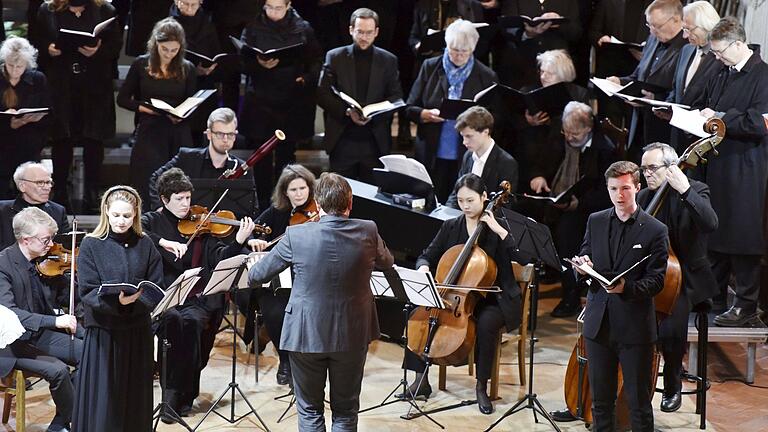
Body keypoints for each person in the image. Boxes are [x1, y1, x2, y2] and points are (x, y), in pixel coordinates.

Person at [248, 172, 394, 431]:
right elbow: (387, 261)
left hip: (306, 333)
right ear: (350, 203)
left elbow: (257, 276)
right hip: (352, 333)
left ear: (317, 203)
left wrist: (253, 260)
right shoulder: (368, 230)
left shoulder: (296, 235)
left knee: (309, 410)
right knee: (346, 411)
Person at [404, 173, 523, 415]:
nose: (466, 207)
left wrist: (499, 231)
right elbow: (427, 254)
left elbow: (522, 256)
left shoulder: (497, 226)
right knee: (418, 314)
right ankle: (421, 379)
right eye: (460, 201)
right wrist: (425, 267)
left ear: (484, 197)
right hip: (456, 296)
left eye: (471, 201)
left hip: (493, 297)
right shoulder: (451, 226)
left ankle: (482, 386)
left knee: (487, 324)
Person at [142, 168, 255, 421]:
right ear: (164, 199)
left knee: (192, 325)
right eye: (179, 199)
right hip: (166, 297)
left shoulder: (203, 225)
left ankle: (185, 393)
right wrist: (164, 243)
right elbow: (137, 230)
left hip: (199, 297)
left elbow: (220, 260)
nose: (186, 205)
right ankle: (172, 395)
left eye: (187, 198)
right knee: (177, 323)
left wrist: (238, 240)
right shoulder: (153, 221)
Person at [568, 161, 668, 432]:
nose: (619, 195)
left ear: (637, 187)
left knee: (638, 403)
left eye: (625, 188)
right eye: (613, 188)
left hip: (634, 328)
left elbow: (657, 281)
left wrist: (628, 288)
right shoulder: (596, 220)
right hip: (599, 324)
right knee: (600, 401)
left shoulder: (655, 230)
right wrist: (583, 267)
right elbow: (587, 255)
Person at [691, 17, 768, 327]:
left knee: (744, 235)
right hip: (719, 164)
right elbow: (705, 104)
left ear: (739, 44)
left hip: (747, 168)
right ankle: (715, 296)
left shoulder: (763, 76)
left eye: (721, 51)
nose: (717, 57)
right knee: (716, 232)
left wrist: (720, 117)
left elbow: (759, 123)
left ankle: (746, 304)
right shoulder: (723, 72)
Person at [71, 185, 164, 432]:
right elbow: (88, 290)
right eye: (116, 215)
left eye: (127, 216)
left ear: (135, 215)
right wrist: (118, 304)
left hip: (137, 330)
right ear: (106, 213)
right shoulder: (91, 244)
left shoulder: (145, 244)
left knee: (134, 394)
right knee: (105, 397)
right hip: (105, 330)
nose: (121, 221)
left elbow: (155, 285)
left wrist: (137, 303)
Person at [637, 142, 718, 412]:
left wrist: (683, 189)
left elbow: (710, 223)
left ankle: (672, 384)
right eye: (643, 169)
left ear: (672, 168)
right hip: (651, 275)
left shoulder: (695, 190)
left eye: (652, 168)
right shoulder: (643, 198)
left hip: (685, 277)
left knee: (671, 328)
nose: (647, 174)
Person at [524, 102, 616, 318]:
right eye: (566, 131)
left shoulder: (605, 150)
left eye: (574, 133)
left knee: (567, 235)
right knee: (527, 220)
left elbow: (605, 194)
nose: (569, 137)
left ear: (588, 128)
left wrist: (577, 204)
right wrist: (538, 177)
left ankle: (571, 296)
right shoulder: (559, 137)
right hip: (555, 201)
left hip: (587, 209)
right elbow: (540, 162)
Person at [0, 207, 82, 432]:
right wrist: (55, 322)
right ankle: (72, 422)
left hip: (39, 335)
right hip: (12, 345)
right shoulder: (3, 265)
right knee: (58, 371)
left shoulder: (44, 262)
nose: (51, 244)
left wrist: (73, 280)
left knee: (92, 354)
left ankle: (60, 423)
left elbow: (62, 296)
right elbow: (10, 313)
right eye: (46, 239)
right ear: (26, 240)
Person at [35, 0, 122, 210]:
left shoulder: (105, 10)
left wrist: (98, 51)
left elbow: (114, 46)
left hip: (94, 87)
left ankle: (92, 194)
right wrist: (48, 49)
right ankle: (60, 192)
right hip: (62, 86)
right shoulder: (48, 10)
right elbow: (37, 39)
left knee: (94, 139)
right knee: (62, 139)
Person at [237, 164, 316, 385]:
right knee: (273, 310)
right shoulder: (276, 212)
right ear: (285, 192)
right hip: (280, 278)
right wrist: (253, 239)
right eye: (293, 190)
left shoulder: (317, 213)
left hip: (308, 276)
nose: (299, 194)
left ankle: (306, 361)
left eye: (303, 188)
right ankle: (285, 360)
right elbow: (253, 228)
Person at [240, 0, 323, 206]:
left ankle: (285, 204)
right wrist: (257, 63)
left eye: (278, 8)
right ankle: (260, 204)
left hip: (290, 100)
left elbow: (316, 62)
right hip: (261, 99)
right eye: (269, 7)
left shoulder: (303, 28)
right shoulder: (252, 28)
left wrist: (304, 79)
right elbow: (241, 61)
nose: (273, 12)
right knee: (261, 157)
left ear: (288, 5)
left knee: (287, 155)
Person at [405, 18, 498, 202]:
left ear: (473, 49)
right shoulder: (430, 66)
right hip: (431, 151)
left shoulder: (486, 76)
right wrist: (424, 114)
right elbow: (409, 107)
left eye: (464, 51)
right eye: (454, 50)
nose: (458, 56)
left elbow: (494, 118)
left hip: (465, 154)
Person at [117, 17, 197, 210]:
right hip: (150, 129)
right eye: (164, 49)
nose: (169, 54)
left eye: (174, 50)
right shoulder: (141, 64)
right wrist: (145, 108)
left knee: (179, 180)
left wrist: (182, 113)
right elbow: (123, 99)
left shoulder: (187, 67)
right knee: (146, 180)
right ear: (156, 45)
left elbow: (193, 101)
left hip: (177, 130)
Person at [316, 7, 403, 184]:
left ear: (377, 32)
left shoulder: (388, 60)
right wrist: (347, 112)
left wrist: (374, 114)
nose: (364, 37)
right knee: (338, 196)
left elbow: (396, 97)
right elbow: (322, 94)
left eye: (369, 32)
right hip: (342, 138)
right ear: (350, 30)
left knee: (372, 199)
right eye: (360, 32)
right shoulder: (335, 57)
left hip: (374, 140)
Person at [606, 0, 686, 162]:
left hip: (664, 128)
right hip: (638, 122)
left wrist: (656, 100)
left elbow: (684, 91)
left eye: (657, 26)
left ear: (676, 19)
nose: (652, 31)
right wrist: (619, 82)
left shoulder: (686, 47)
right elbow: (638, 76)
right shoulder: (653, 39)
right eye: (649, 25)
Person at [148, 108, 257, 215]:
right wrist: (160, 207)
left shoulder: (242, 168)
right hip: (186, 227)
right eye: (220, 134)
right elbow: (156, 178)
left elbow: (253, 207)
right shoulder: (187, 157)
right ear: (209, 134)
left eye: (230, 134)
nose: (225, 139)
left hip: (226, 231)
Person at [655, 1, 723, 152]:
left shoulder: (722, 58)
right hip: (676, 135)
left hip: (702, 139)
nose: (685, 35)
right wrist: (667, 107)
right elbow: (676, 89)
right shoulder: (686, 50)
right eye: (683, 29)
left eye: (688, 29)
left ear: (706, 25)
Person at [515, 49, 589, 188]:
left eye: (550, 73)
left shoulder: (579, 94)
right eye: (542, 72)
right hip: (533, 147)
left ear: (563, 75)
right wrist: (529, 121)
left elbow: (582, 126)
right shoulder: (529, 91)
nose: (543, 77)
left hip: (564, 148)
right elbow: (513, 121)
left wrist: (553, 122)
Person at [0, 36, 51, 198]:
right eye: (10, 65)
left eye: (19, 66)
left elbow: (50, 112)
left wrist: (34, 118)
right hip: (2, 143)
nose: (15, 71)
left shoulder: (37, 79)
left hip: (29, 144)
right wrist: (9, 124)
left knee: (27, 193)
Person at [169, 0, 222, 147]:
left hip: (201, 88)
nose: (189, 8)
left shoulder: (207, 23)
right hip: (177, 87)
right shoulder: (168, 25)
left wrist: (210, 67)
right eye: (185, 4)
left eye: (194, 4)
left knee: (198, 137)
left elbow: (215, 51)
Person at [496, 0, 582, 89]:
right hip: (523, 66)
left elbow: (576, 33)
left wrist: (559, 22)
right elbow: (507, 29)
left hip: (556, 68)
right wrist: (528, 34)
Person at [445, 106, 518, 208]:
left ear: (485, 132)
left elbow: (504, 206)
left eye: (469, 136)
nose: (464, 142)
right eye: (463, 136)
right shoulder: (468, 156)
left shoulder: (506, 163)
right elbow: (456, 193)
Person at [0, 162, 70, 252]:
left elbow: (64, 249)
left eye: (48, 182)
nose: (47, 187)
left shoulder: (58, 211)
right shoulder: (2, 211)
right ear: (22, 186)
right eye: (40, 182)